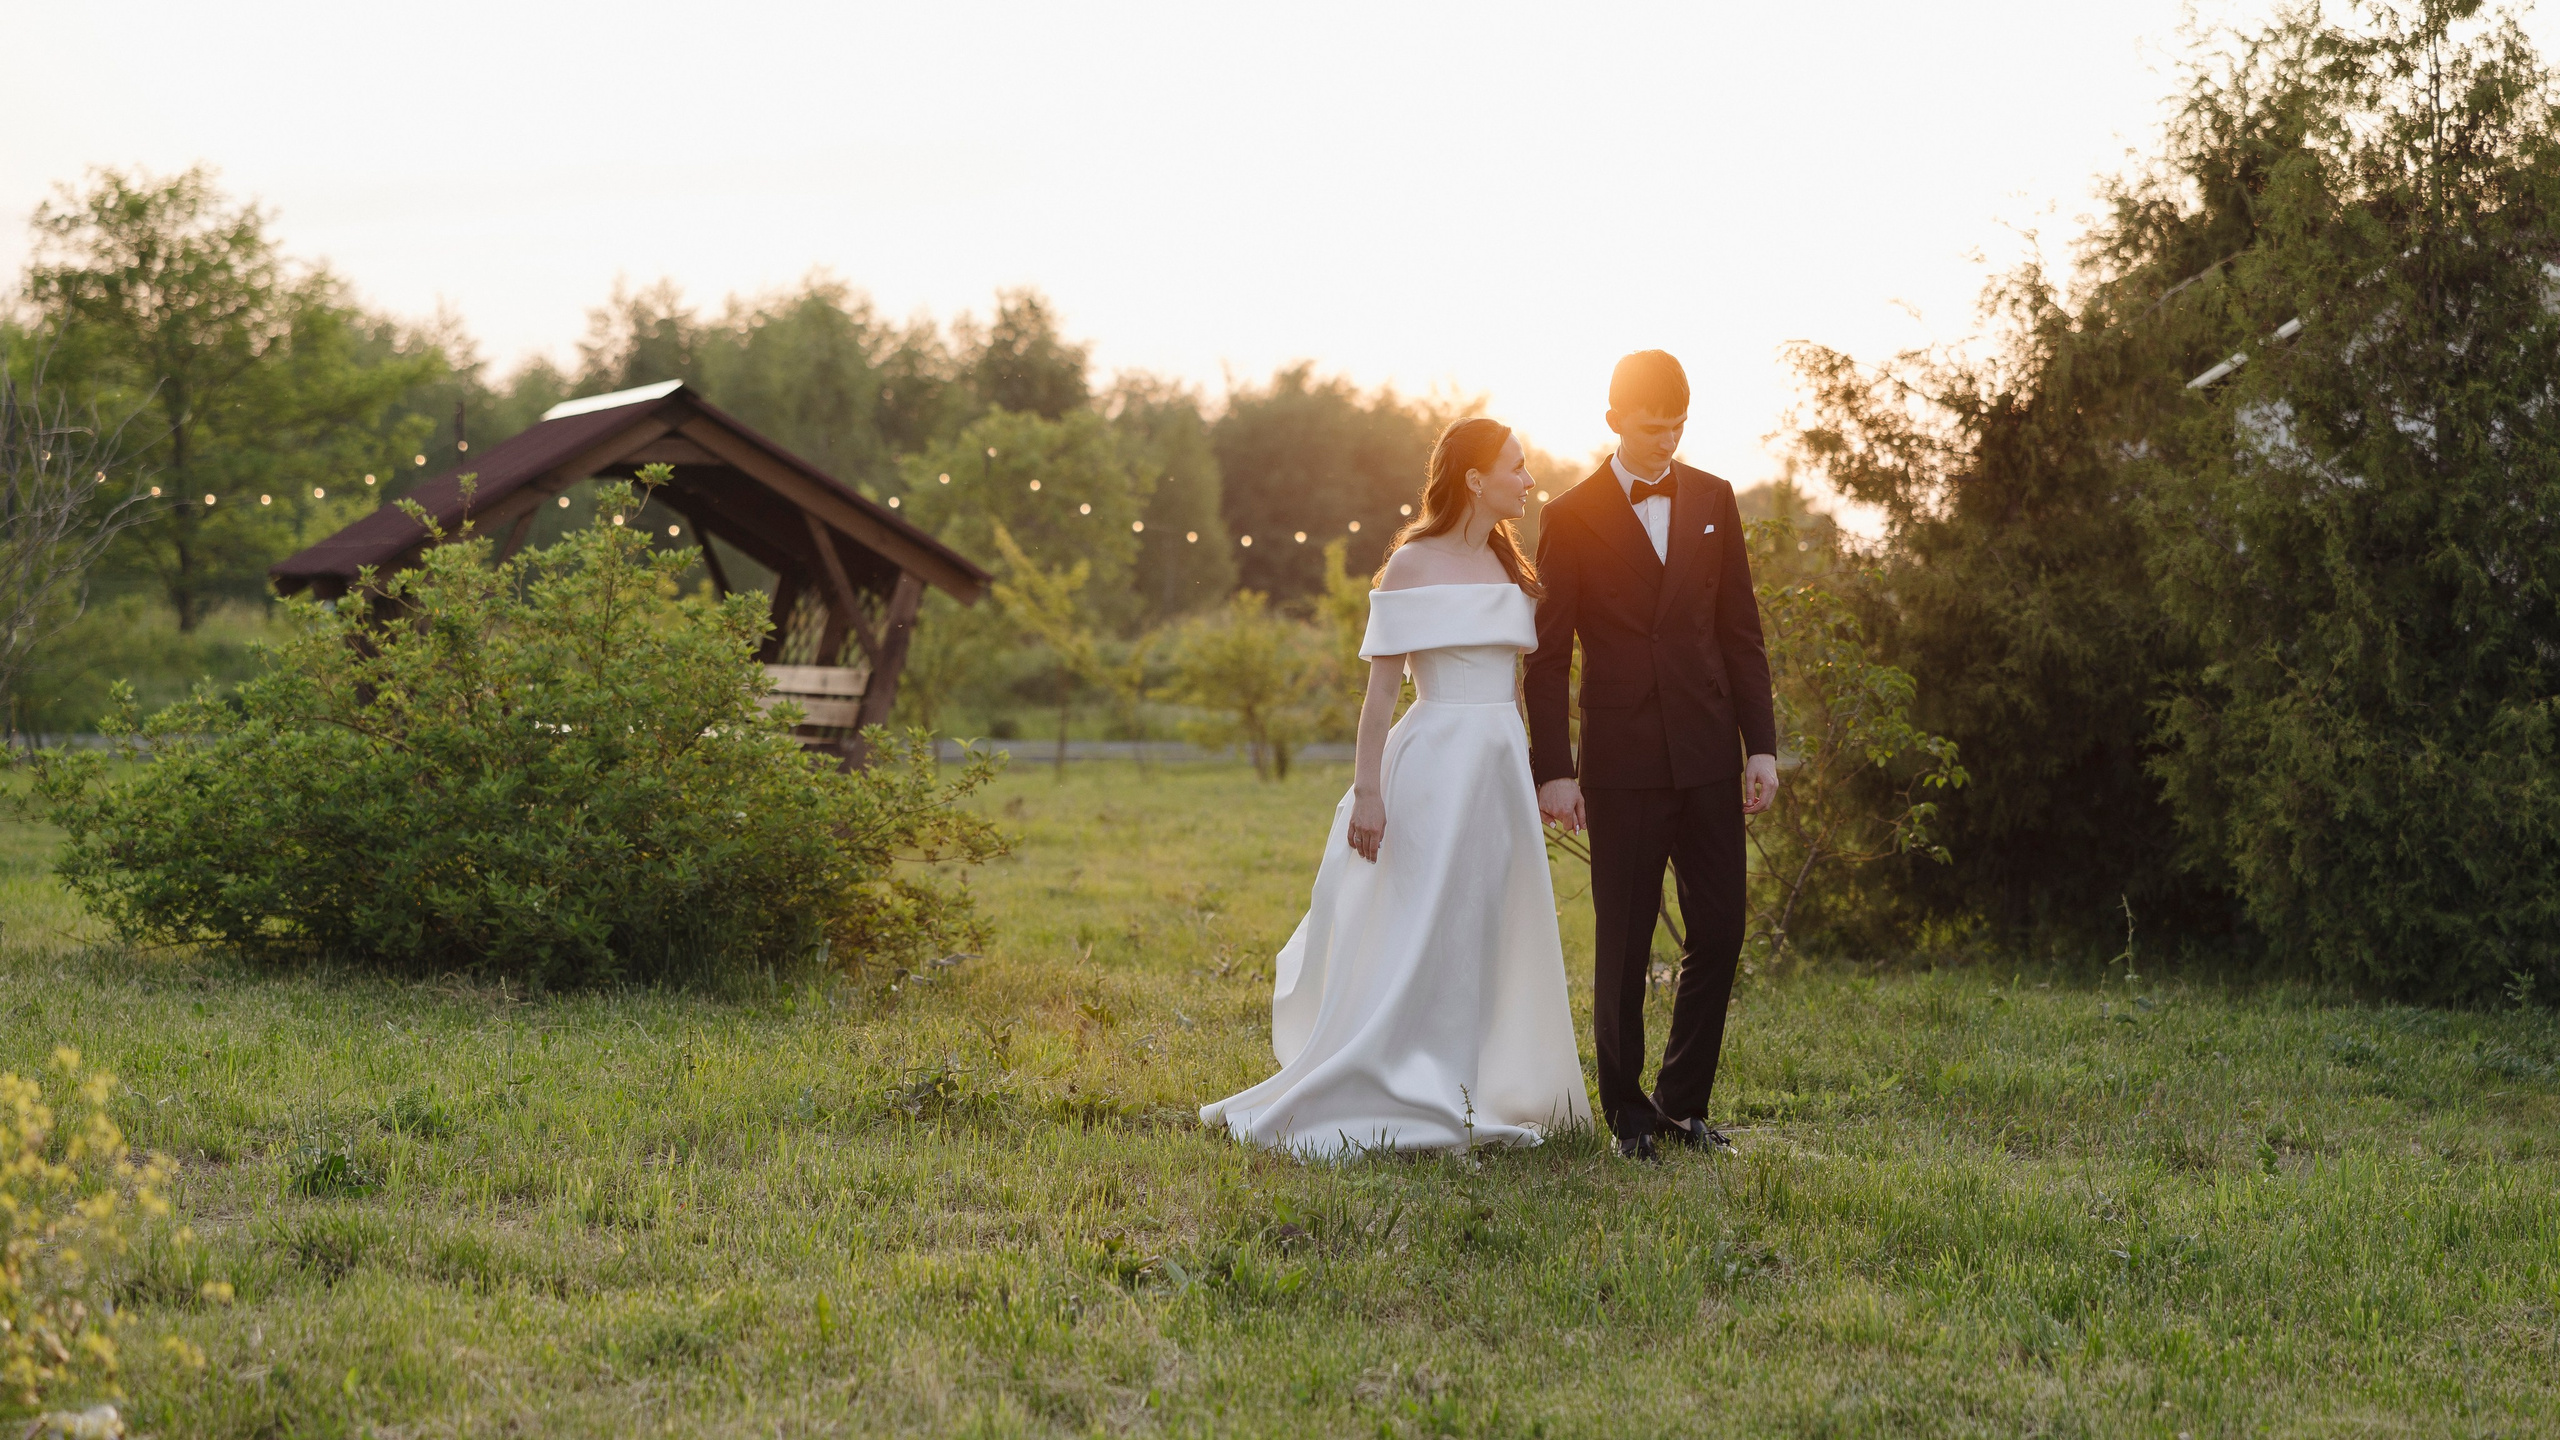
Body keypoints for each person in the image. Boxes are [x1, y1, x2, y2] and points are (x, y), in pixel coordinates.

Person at [1201, 418, 1590, 1157]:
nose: (1529, 478)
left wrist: (1538, 774)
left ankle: (1478, 1084)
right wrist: (1368, 791)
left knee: (1483, 925)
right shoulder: (1412, 563)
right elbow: (1380, 697)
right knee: (1426, 926)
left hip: (1499, 766)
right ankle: (1412, 1085)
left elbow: (1517, 686)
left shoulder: (1512, 566)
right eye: (1516, 466)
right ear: (1476, 478)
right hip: (1435, 760)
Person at [1526, 350, 1779, 1161]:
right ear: (1612, 421)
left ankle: (1683, 1104)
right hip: (1622, 761)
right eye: (1649, 427)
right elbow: (1547, 655)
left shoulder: (1713, 498)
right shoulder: (1569, 515)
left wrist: (1761, 748)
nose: (1665, 441)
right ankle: (1628, 1116)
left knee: (1721, 930)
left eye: (1676, 427)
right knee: (1625, 941)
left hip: (1709, 755)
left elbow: (1740, 632)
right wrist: (1554, 768)